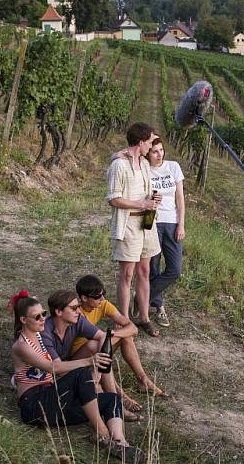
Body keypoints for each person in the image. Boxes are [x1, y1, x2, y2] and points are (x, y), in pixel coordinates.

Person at [10, 291, 144, 462]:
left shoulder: (39, 335)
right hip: (34, 406)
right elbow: (53, 367)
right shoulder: (21, 346)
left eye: (43, 314)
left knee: (111, 399)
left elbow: (100, 337)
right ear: (23, 320)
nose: (43, 318)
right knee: (81, 373)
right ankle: (103, 436)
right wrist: (89, 361)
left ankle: (121, 444)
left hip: (52, 400)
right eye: (37, 317)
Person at [71, 275, 167, 403]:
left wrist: (113, 333)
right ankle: (119, 396)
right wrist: (108, 336)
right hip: (78, 357)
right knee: (97, 345)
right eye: (97, 296)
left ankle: (143, 379)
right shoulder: (76, 313)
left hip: (96, 348)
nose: (102, 299)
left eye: (103, 294)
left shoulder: (103, 304)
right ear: (83, 298)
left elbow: (133, 328)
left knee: (124, 337)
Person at [106, 122, 162, 336]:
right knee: (127, 274)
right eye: (149, 142)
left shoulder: (145, 164)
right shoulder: (119, 166)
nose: (151, 146)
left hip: (147, 223)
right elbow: (114, 199)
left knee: (144, 271)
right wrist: (142, 204)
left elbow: (145, 193)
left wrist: (152, 199)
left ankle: (144, 317)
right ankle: (123, 321)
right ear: (140, 142)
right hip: (129, 224)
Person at [146, 137, 185, 328]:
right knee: (153, 267)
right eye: (154, 151)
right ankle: (159, 308)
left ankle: (143, 299)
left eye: (161, 150)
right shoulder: (144, 169)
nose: (159, 154)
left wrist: (181, 224)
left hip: (172, 223)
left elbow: (180, 198)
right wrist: (150, 197)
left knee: (174, 270)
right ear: (147, 153)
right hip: (152, 222)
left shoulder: (173, 167)